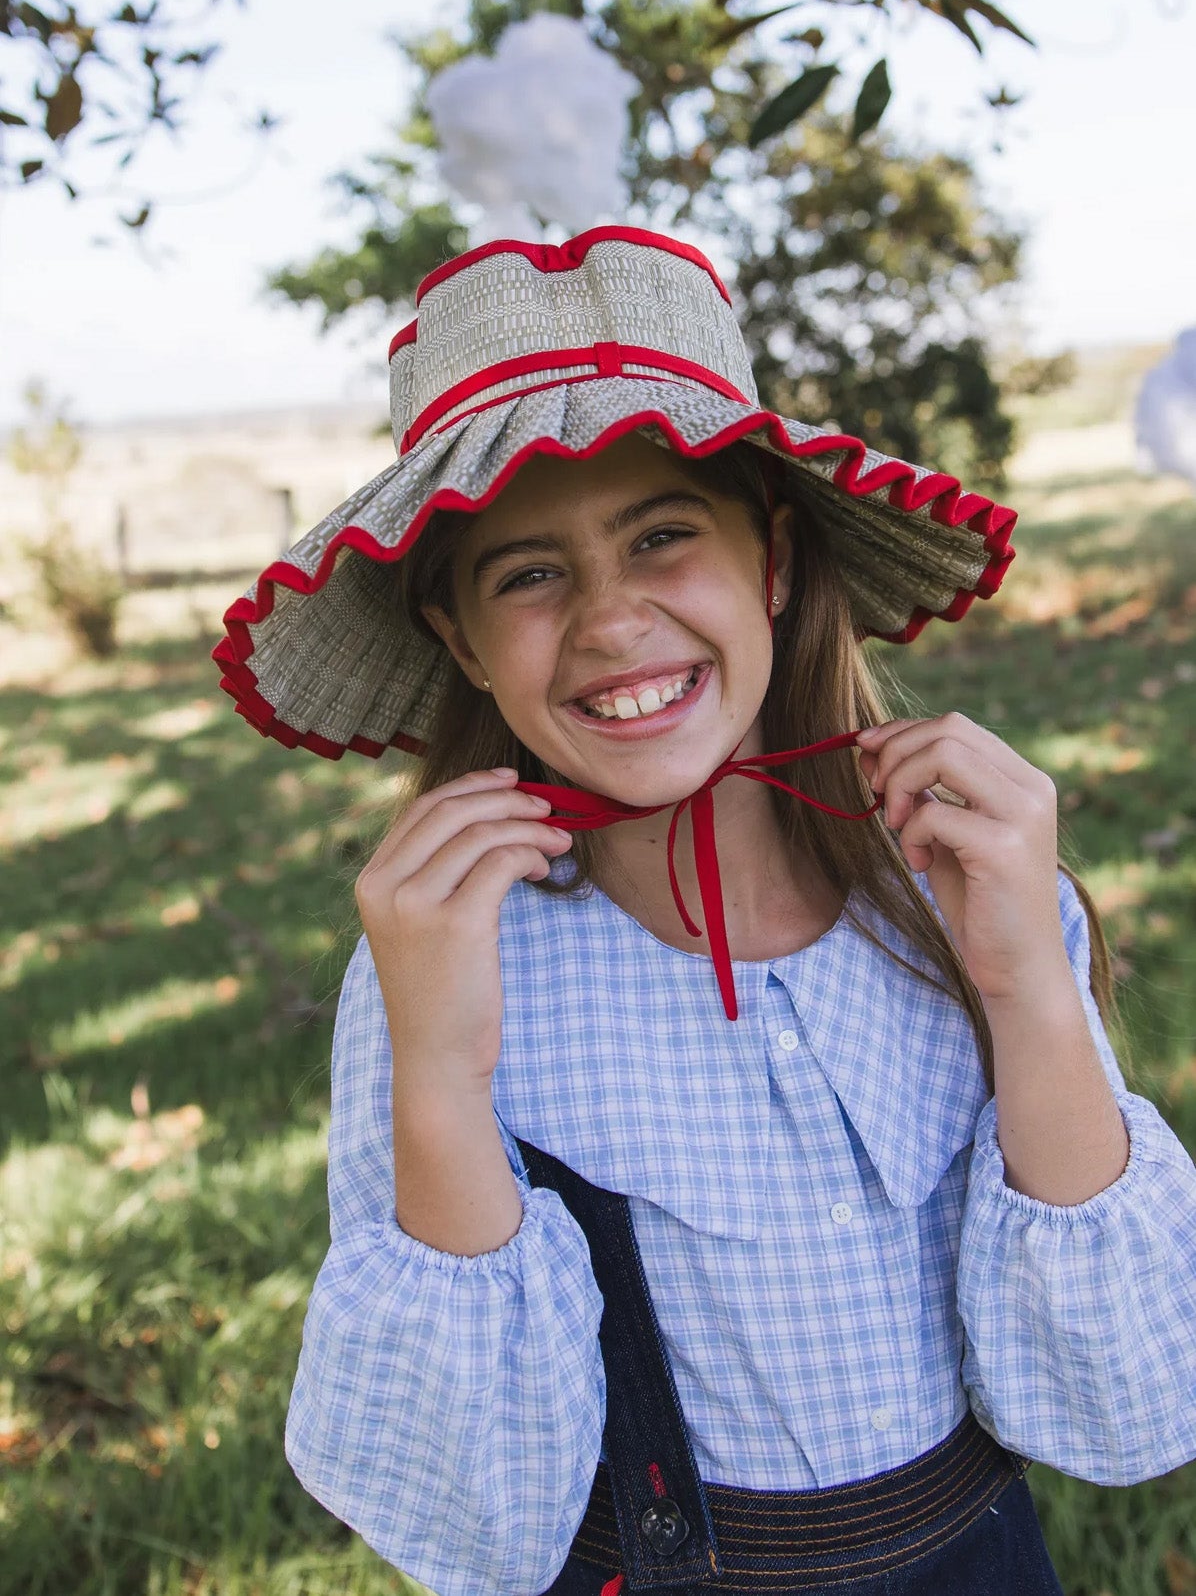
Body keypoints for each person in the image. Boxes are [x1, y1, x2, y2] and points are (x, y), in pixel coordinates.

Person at [213, 227, 1196, 1596]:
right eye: (529, 572)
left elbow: (1122, 1397)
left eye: (664, 534)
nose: (613, 620)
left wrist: (1029, 981)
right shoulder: (448, 958)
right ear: (460, 640)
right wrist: (438, 1066)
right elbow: (474, 1512)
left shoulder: (956, 880)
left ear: (774, 562)